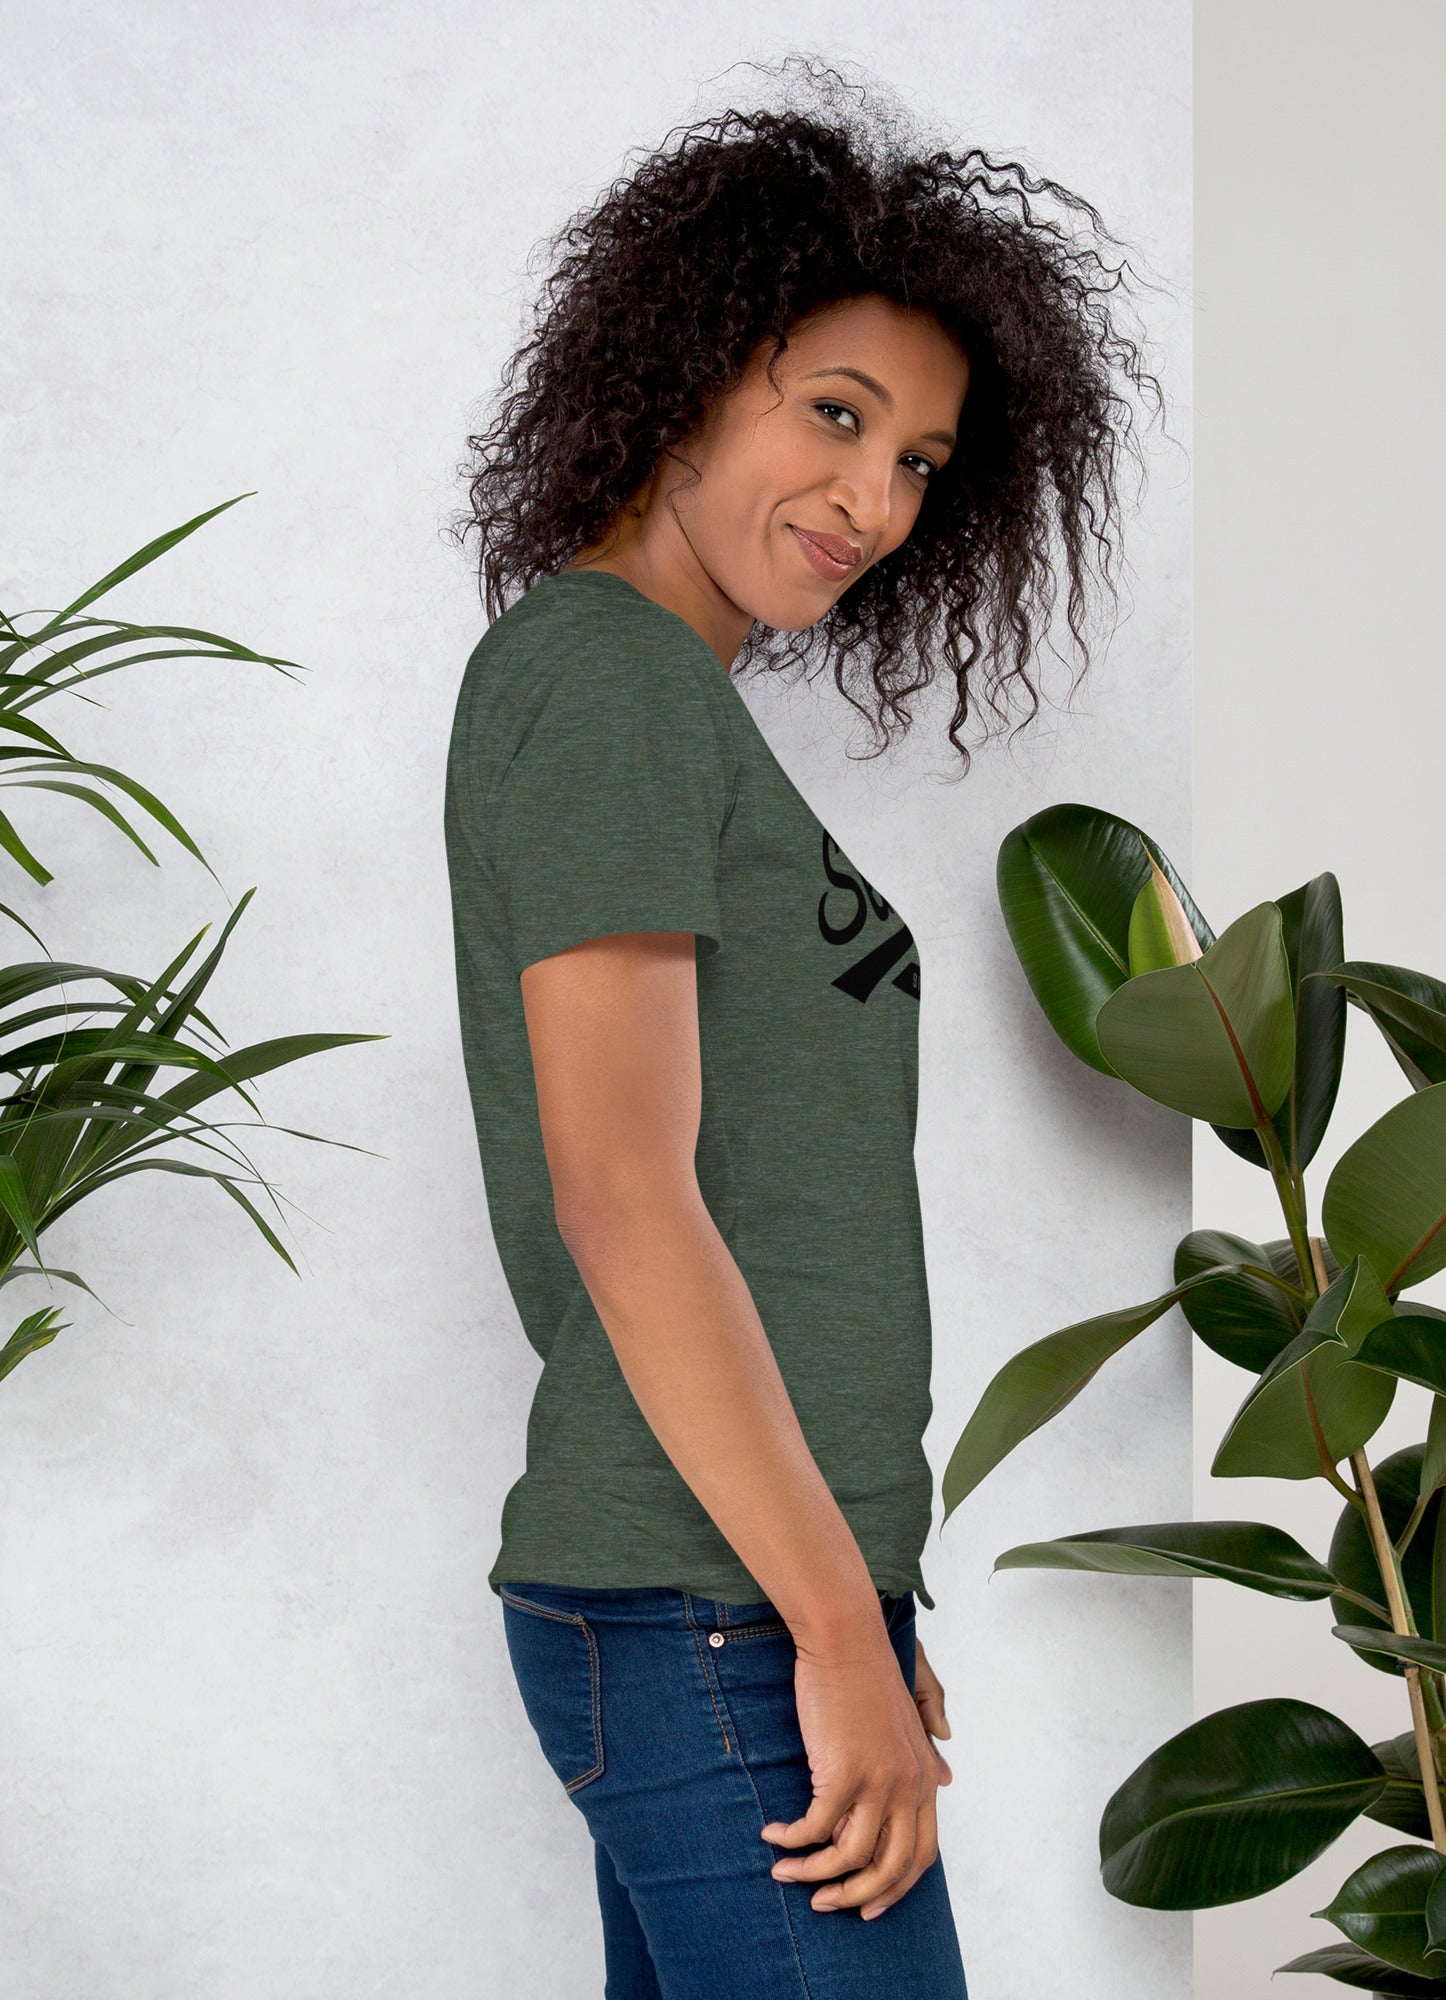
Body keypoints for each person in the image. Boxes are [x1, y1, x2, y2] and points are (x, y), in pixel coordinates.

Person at [444, 76, 1152, 2000]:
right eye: (832, 414)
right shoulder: (603, 683)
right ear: (683, 370)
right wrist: (827, 1632)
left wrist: (854, 1598)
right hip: (706, 1605)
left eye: (921, 459)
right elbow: (624, 1199)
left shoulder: (661, 697)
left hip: (740, 1590)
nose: (870, 499)